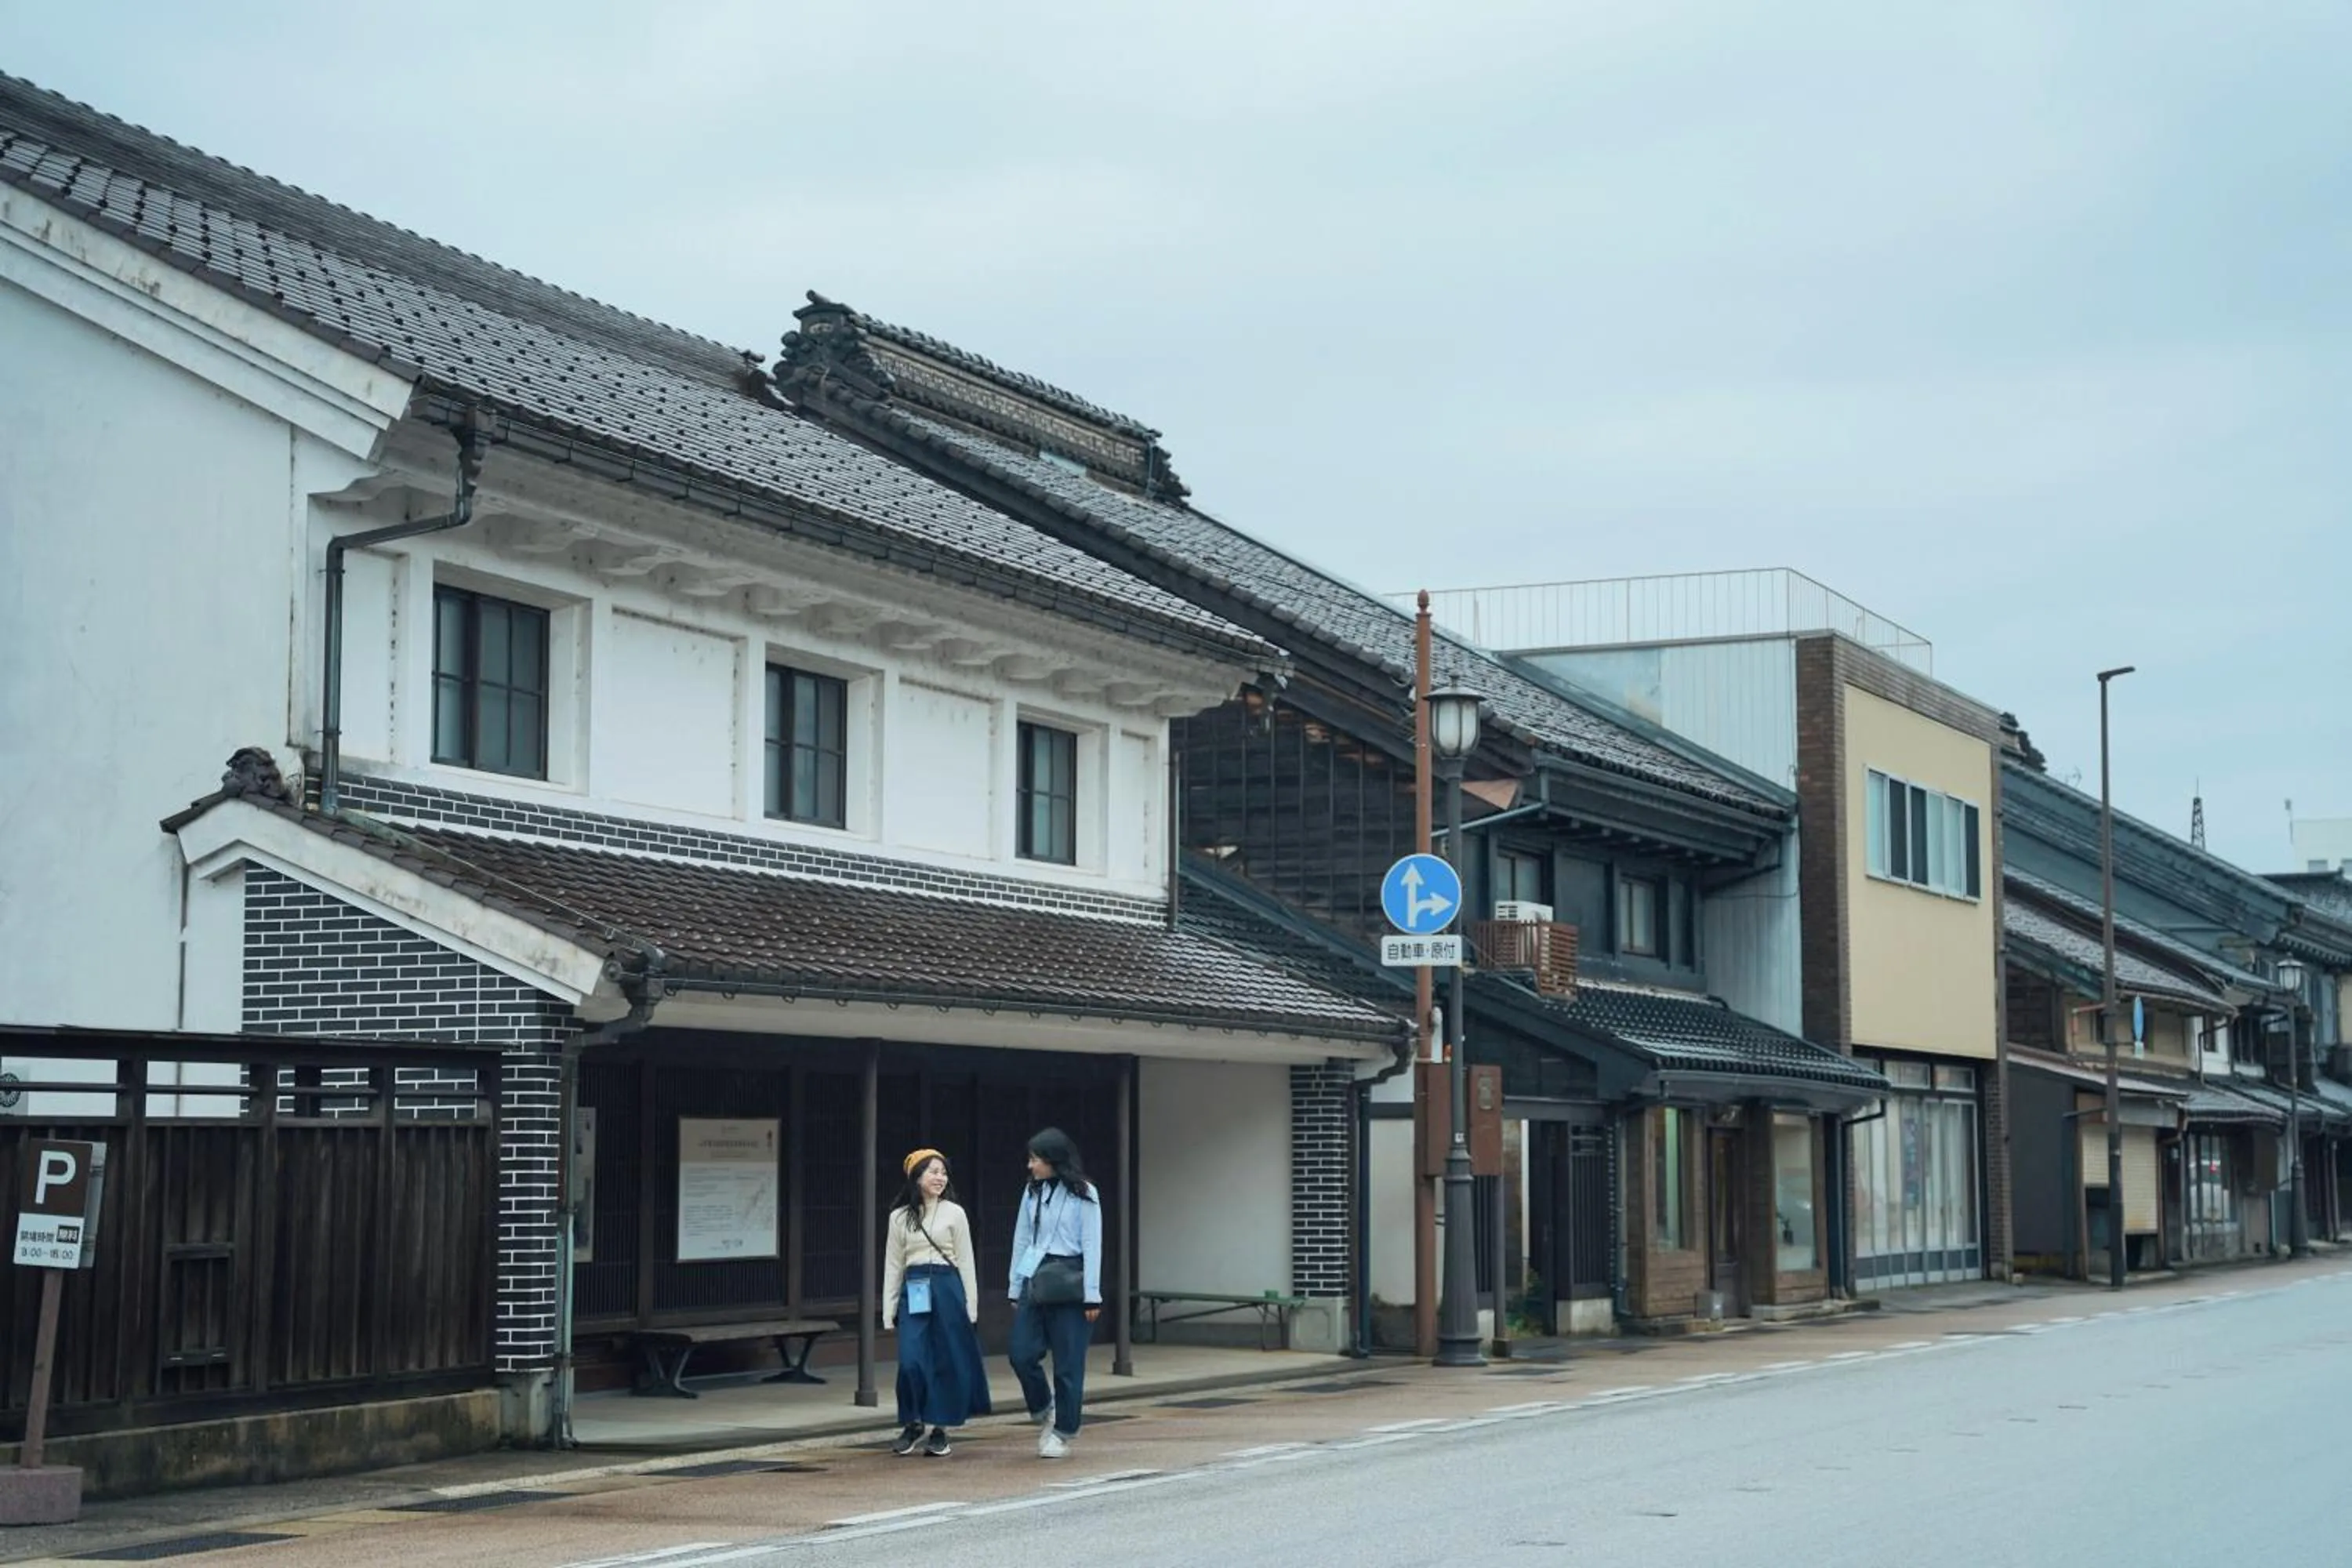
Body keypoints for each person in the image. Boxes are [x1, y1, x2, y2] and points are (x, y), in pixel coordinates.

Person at [882, 1148, 989, 1457]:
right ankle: (913, 1422)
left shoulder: (955, 1213)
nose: (940, 1178)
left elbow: (966, 1261)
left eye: (943, 1172)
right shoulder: (899, 1217)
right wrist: (889, 1309)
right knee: (911, 1360)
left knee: (945, 1360)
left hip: (947, 1288)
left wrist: (971, 1305)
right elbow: (893, 1264)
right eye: (933, 1171)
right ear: (916, 1177)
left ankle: (940, 1429)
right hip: (914, 1288)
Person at [1007, 1127, 1103, 1460]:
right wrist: (1014, 1285)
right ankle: (1043, 1408)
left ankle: (1064, 1430)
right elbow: (1022, 1238)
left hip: (1071, 1280)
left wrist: (1092, 1294)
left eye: (1035, 1159)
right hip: (1035, 1278)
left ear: (1053, 1160)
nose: (1030, 1165)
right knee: (1020, 1353)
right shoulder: (1031, 1191)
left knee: (1068, 1363)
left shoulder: (1084, 1192)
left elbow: (1092, 1244)